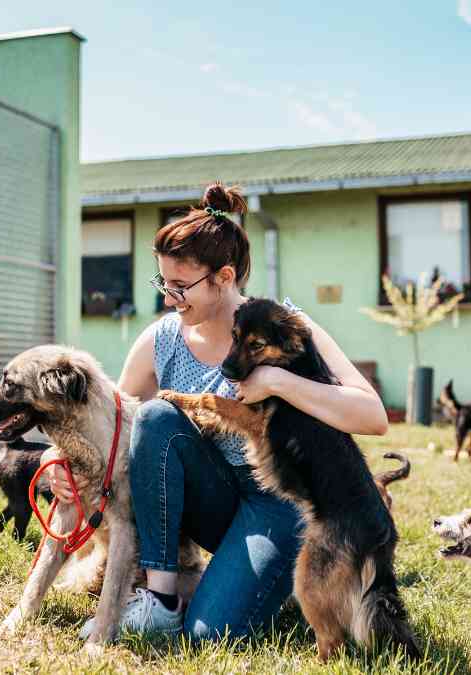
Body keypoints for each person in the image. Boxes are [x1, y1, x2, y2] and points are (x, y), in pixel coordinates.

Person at [51, 183, 389, 642]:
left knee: (213, 632)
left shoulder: (283, 325)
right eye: (162, 284)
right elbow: (108, 430)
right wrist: (61, 469)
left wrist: (278, 381)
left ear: (224, 277)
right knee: (154, 417)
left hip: (277, 502)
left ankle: (267, 577)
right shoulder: (161, 339)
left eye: (180, 286)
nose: (169, 298)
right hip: (206, 499)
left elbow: (372, 415)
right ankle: (161, 598)